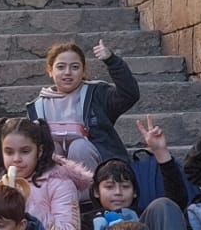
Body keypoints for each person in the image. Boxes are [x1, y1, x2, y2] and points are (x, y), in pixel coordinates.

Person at [30, 37, 140, 174]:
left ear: (83, 71)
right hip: (56, 177)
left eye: (75, 67)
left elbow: (129, 95)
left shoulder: (96, 93)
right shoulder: (37, 106)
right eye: (61, 67)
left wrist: (112, 61)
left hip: (98, 170)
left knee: (79, 147)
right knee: (50, 148)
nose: (68, 72)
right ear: (50, 70)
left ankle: (90, 188)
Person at [0, 117, 81, 230]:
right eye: (9, 152)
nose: (16, 159)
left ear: (39, 151)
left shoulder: (60, 183)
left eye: (25, 152)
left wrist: (26, 204)